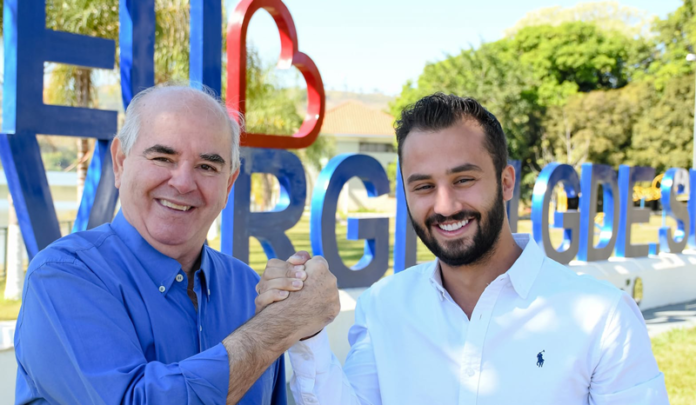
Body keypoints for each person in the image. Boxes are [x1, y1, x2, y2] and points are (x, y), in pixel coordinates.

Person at [256, 93, 670, 404]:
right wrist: (308, 333)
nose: (445, 205)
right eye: (423, 186)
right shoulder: (384, 305)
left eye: (464, 180)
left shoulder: (602, 316)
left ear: (506, 182)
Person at [14, 85, 340, 405]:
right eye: (163, 158)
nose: (183, 183)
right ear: (120, 162)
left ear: (229, 184)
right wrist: (278, 327)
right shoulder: (64, 275)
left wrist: (299, 321)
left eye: (207, 167)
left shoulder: (247, 288)